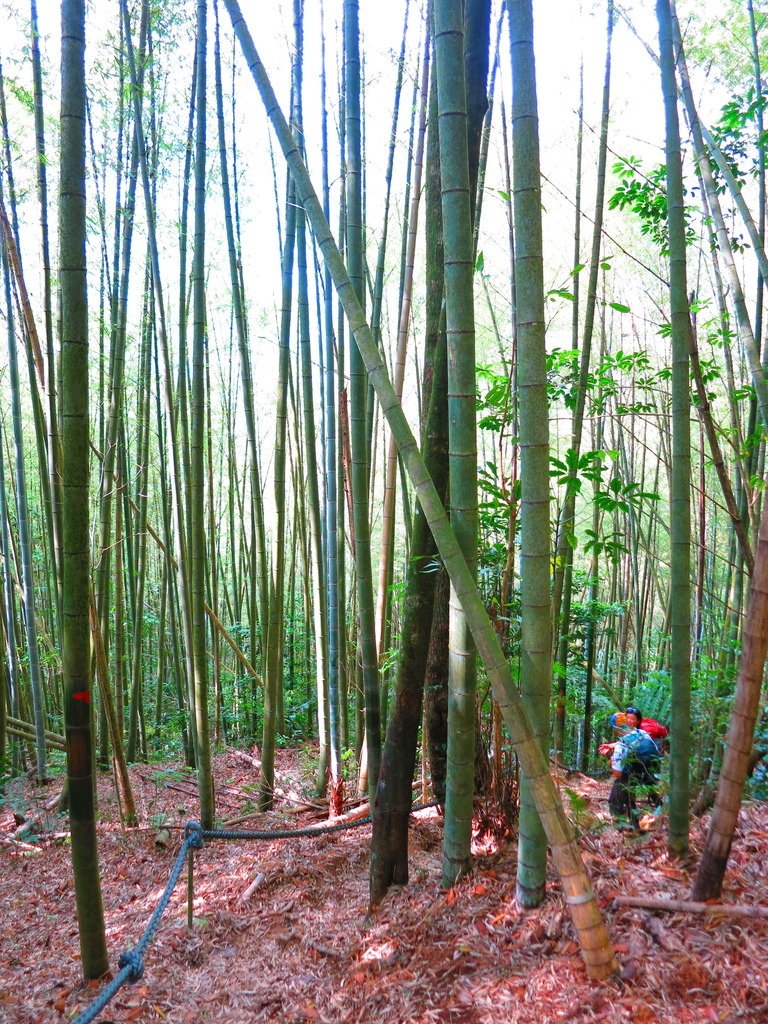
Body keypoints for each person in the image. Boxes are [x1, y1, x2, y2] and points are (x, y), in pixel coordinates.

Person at [600, 707, 662, 827]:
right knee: (646, 790)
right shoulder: (642, 733)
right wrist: (612, 745)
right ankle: (660, 810)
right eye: (626, 719)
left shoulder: (621, 747)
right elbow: (630, 741)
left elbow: (617, 772)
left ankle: (622, 826)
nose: (628, 721)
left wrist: (612, 759)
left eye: (631, 719)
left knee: (618, 792)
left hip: (639, 772)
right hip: (652, 770)